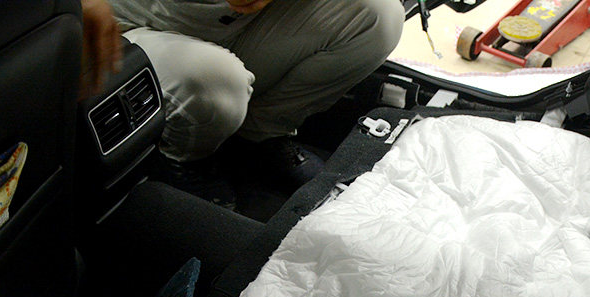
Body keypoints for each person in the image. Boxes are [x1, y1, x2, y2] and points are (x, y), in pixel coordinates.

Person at [80, 0, 404, 190]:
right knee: (216, 82)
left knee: (378, 15)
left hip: (227, 21)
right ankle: (181, 164)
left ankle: (257, 138)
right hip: (122, 25)